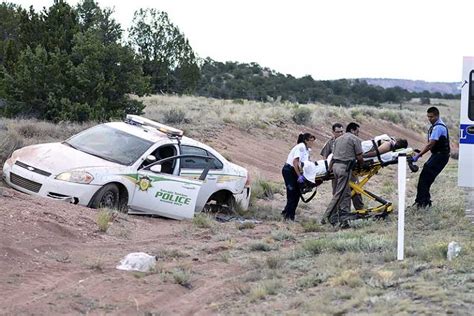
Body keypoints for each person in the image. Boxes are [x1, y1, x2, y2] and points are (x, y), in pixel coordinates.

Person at [322, 122, 363, 228]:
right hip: (344, 169)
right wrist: (361, 167)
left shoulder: (338, 140)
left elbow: (334, 158)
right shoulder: (334, 142)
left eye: (341, 131)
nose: (340, 133)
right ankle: (333, 218)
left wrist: (329, 170)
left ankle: (359, 211)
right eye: (337, 132)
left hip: (337, 168)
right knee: (341, 194)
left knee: (352, 193)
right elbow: (327, 158)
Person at [413, 106, 450, 208]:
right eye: (428, 117)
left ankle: (421, 203)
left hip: (440, 156)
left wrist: (418, 155)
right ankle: (424, 201)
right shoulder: (437, 125)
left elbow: (430, 144)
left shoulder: (438, 127)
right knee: (426, 179)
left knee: (424, 178)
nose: (430, 119)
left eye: (432, 117)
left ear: (437, 116)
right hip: (438, 155)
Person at [282, 132, 316, 221]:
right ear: (306, 140)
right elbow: (295, 162)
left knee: (297, 194)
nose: (312, 143)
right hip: (289, 170)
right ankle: (289, 217)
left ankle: (287, 213)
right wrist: (299, 176)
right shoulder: (300, 147)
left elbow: (305, 163)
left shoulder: (307, 150)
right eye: (311, 141)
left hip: (296, 171)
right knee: (292, 193)